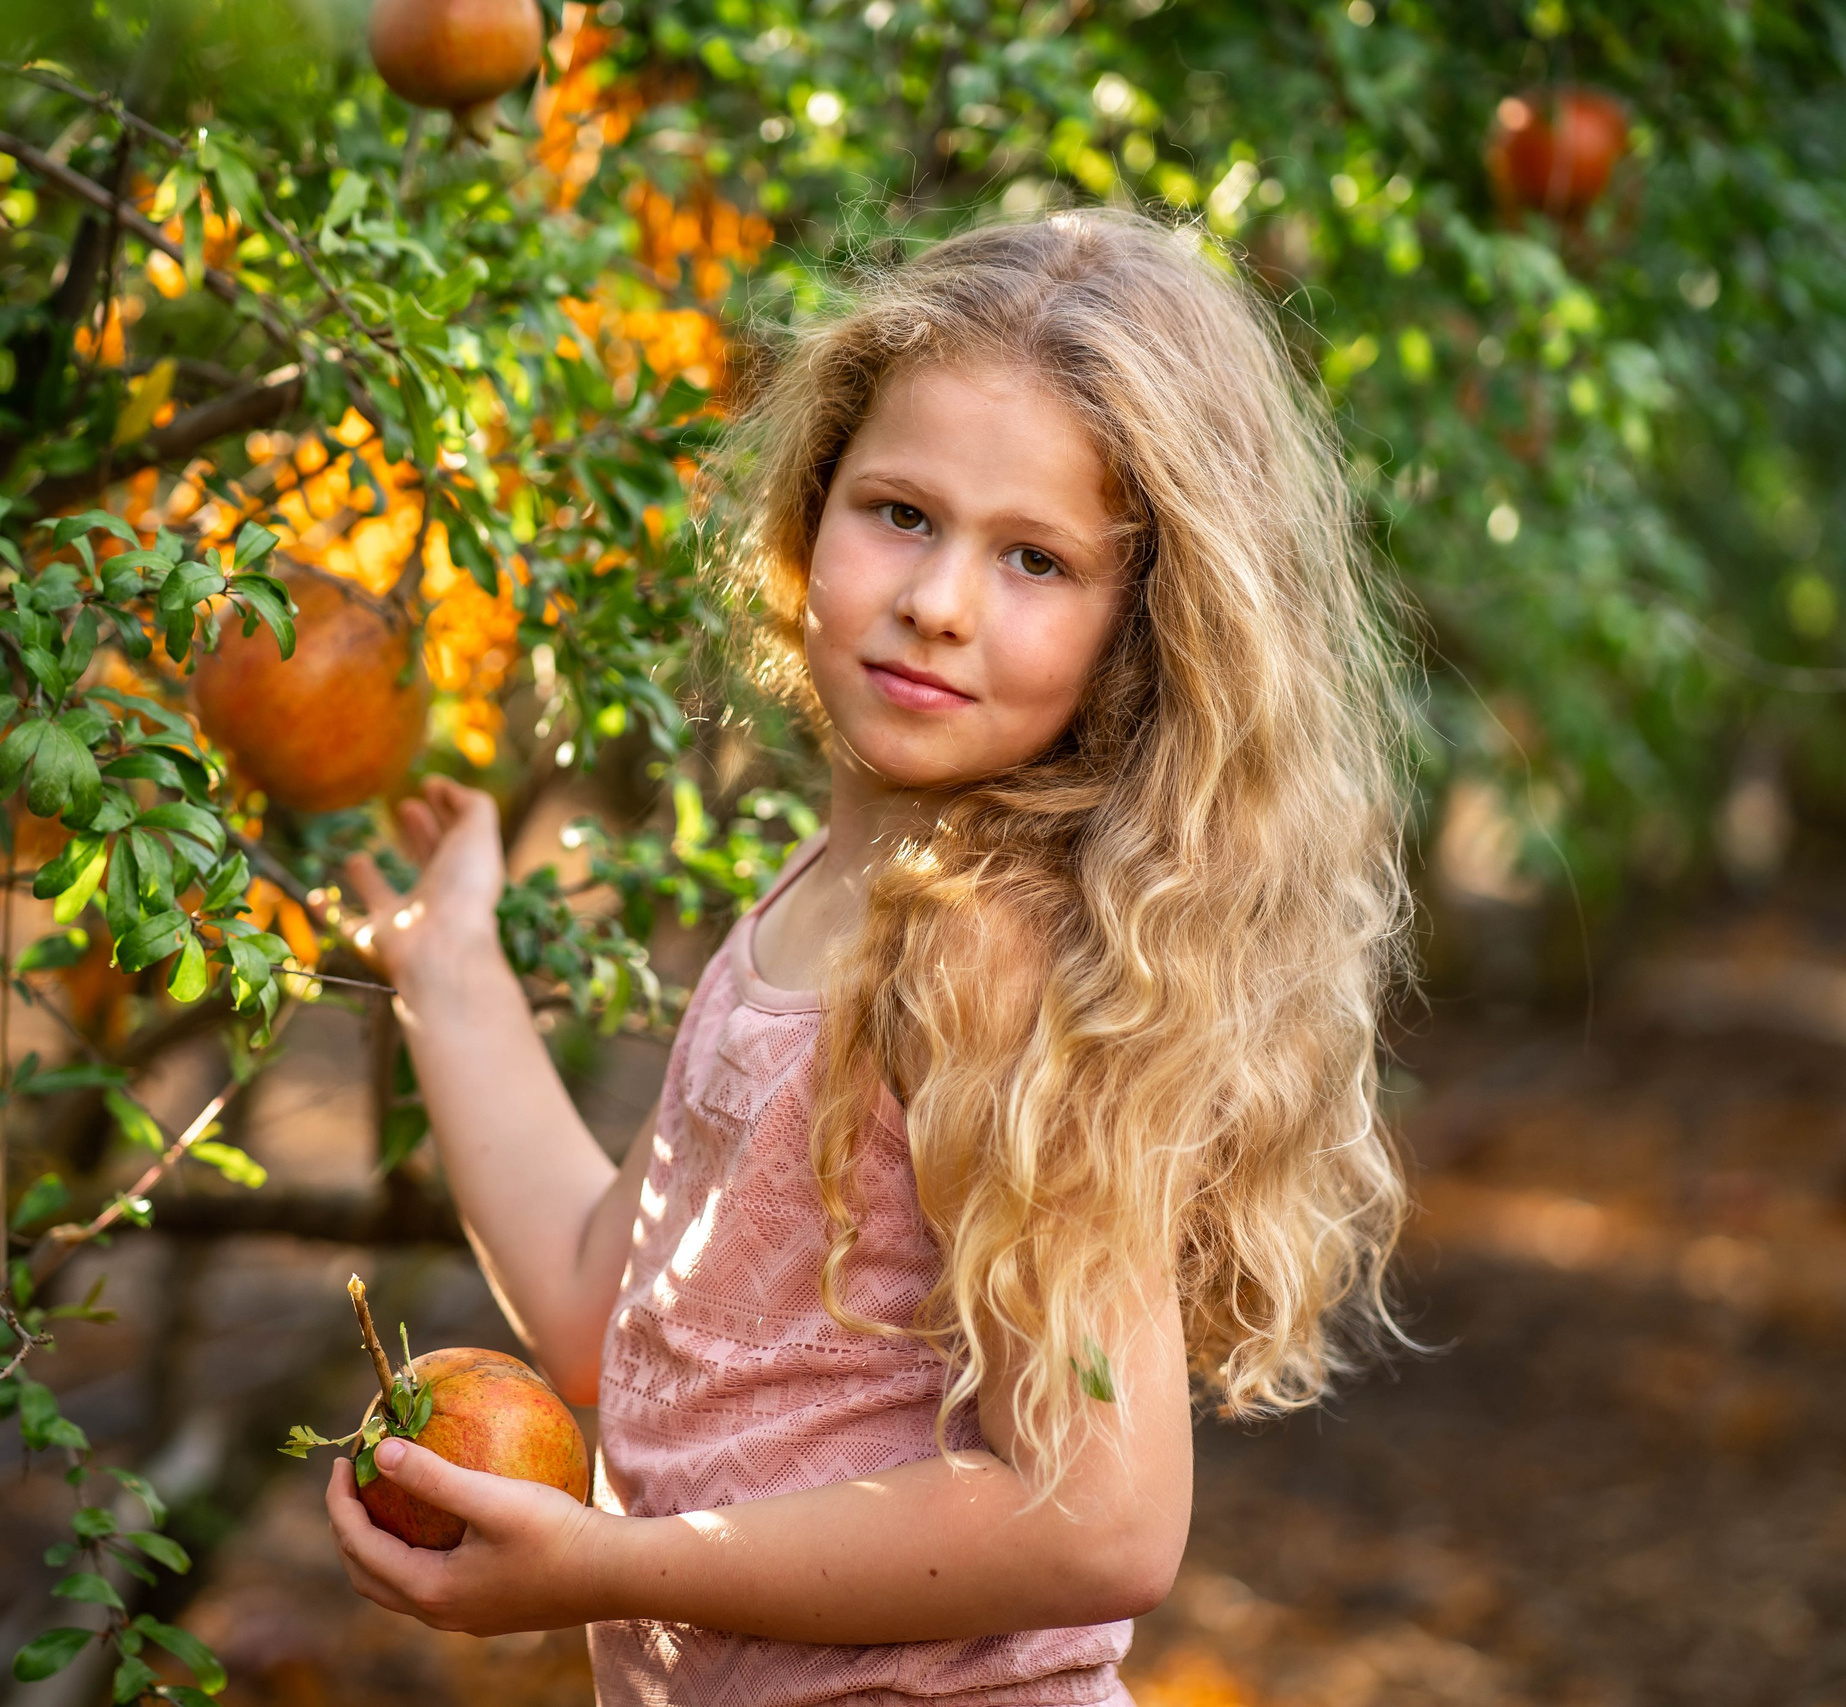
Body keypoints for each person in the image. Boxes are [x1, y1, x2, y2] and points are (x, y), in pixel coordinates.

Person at [325, 208, 1412, 1705]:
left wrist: (611, 1565)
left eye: (1035, 559)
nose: (940, 601)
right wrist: (452, 970)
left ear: (1141, 630)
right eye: (900, 512)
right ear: (809, 509)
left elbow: (1100, 1514)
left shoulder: (978, 956)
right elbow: (607, 1304)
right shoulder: (829, 899)